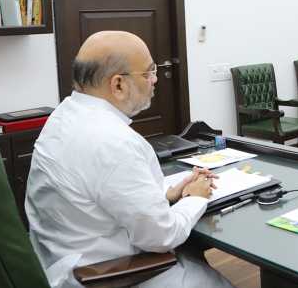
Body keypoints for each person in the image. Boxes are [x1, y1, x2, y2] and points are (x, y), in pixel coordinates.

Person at [25, 31, 233, 288]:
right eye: (148, 73)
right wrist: (196, 197)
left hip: (60, 261)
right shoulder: (113, 141)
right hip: (108, 274)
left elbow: (100, 194)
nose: (156, 79)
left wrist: (166, 195)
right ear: (118, 85)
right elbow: (162, 237)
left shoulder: (62, 117)